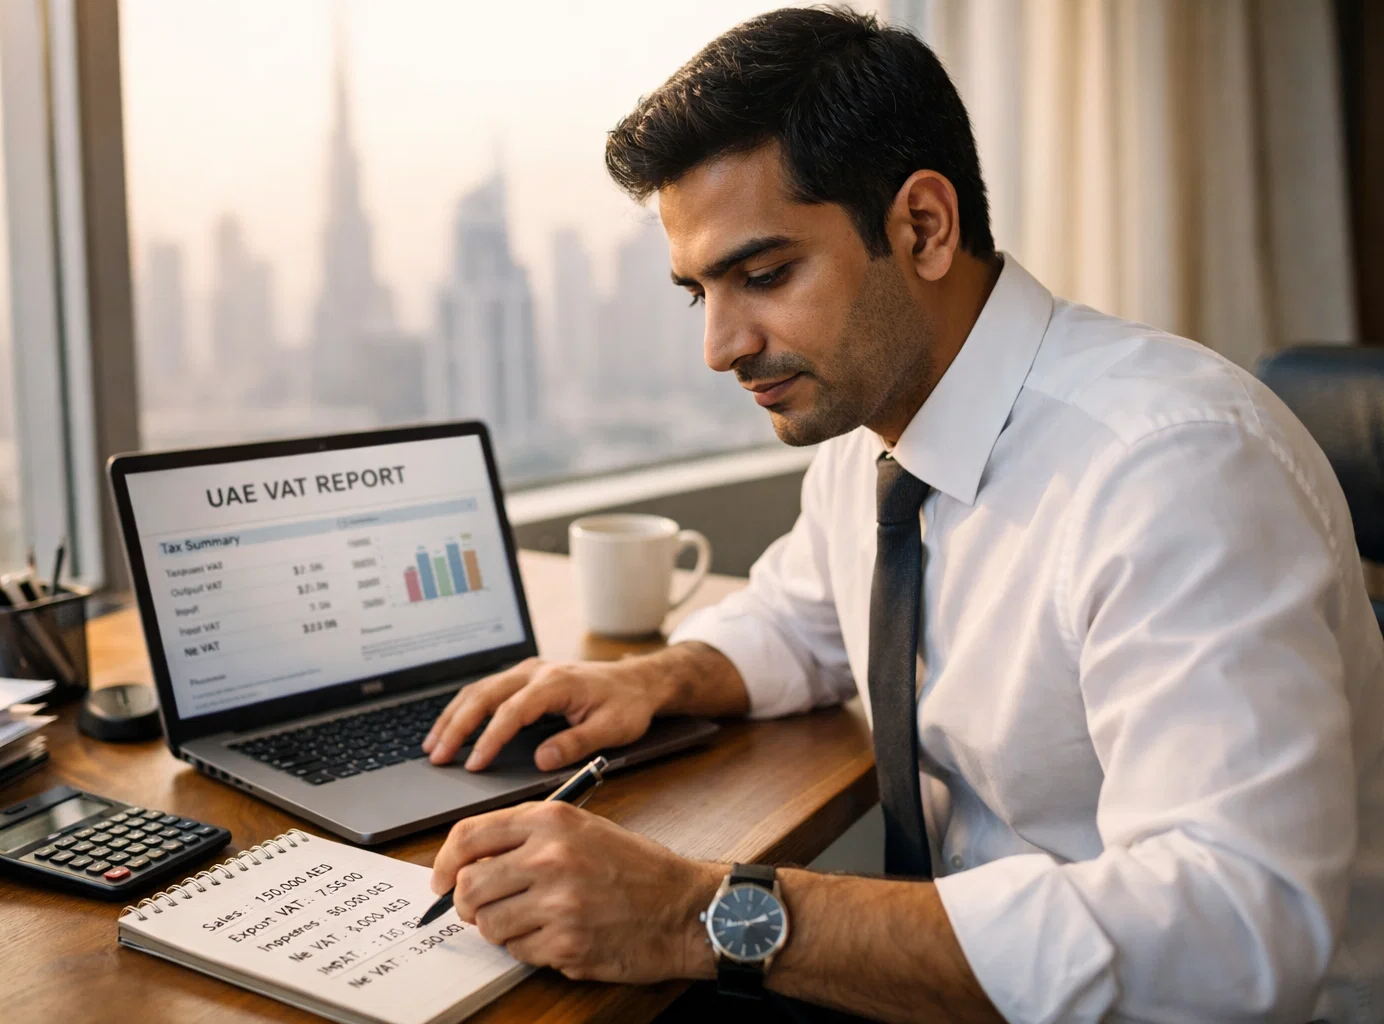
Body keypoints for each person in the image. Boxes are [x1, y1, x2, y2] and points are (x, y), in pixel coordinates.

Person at [421, 7, 1384, 1022]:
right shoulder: (875, 435)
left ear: (923, 226)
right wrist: (651, 677)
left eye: (762, 275)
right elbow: (803, 617)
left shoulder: (1174, 470)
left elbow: (1231, 937)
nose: (720, 346)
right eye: (695, 291)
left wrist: (696, 913)